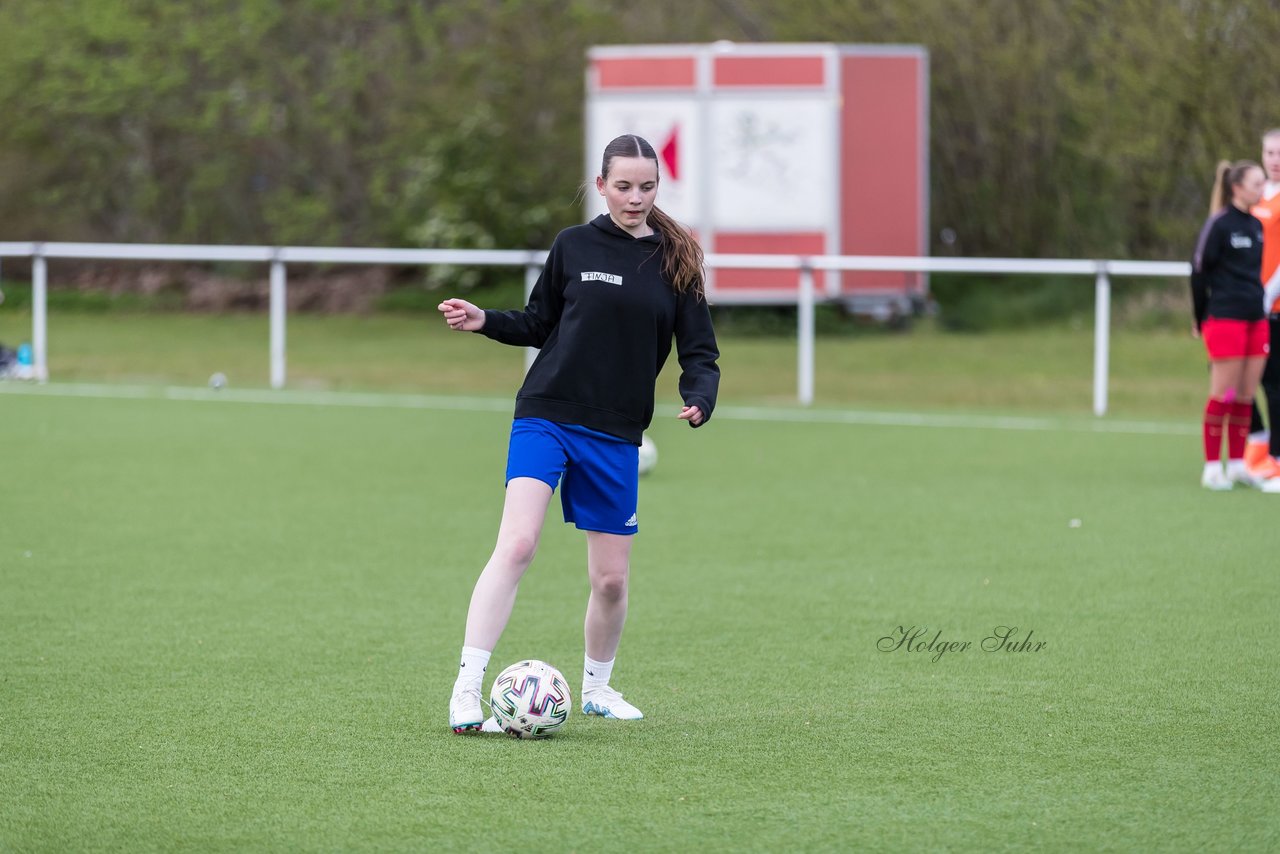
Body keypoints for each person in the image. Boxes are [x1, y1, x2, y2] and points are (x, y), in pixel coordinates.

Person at [438, 134, 721, 732]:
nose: (635, 197)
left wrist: (699, 396)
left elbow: (701, 352)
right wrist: (484, 320)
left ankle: (598, 688)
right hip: (546, 413)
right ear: (600, 185)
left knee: (611, 581)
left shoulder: (677, 260)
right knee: (517, 545)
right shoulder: (573, 245)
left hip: (615, 432)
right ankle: (465, 691)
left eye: (647, 186)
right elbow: (539, 321)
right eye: (623, 186)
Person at [1191, 160, 1271, 490]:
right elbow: (1198, 272)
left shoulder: (1256, 225)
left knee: (1245, 395)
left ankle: (1238, 464)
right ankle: (1212, 467)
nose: (1262, 189)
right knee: (1223, 395)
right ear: (1237, 188)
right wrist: (1200, 317)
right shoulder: (1219, 224)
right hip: (1225, 319)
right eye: (1257, 183)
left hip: (1257, 319)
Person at [1243, 129, 1280, 477]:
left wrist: (1267, 294)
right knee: (1232, 377)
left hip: (1274, 307)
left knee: (1275, 381)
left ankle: (1277, 457)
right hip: (1249, 304)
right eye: (1270, 152)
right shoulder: (1255, 196)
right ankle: (1257, 438)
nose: (1275, 159)